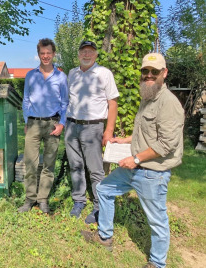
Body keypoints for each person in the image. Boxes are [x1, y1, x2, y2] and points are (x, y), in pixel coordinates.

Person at [81, 53, 184, 268]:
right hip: (134, 166)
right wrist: (124, 140)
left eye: (154, 72)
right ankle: (105, 236)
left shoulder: (169, 104)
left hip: (152, 172)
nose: (148, 75)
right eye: (145, 71)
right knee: (104, 189)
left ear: (164, 73)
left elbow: (166, 145)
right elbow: (144, 133)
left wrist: (135, 158)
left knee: (157, 220)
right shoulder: (148, 97)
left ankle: (157, 263)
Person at [64, 41, 119, 224]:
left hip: (93, 127)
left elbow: (113, 102)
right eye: (83, 51)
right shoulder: (72, 73)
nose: (86, 55)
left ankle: (98, 206)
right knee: (75, 166)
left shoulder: (104, 73)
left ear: (96, 55)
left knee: (95, 170)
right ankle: (79, 201)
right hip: (72, 125)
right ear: (78, 54)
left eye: (90, 52)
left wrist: (108, 131)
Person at [18, 38, 69, 214]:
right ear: (38, 54)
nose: (45, 56)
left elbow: (65, 103)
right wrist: (26, 121)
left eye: (48, 53)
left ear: (54, 54)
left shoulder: (61, 77)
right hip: (33, 123)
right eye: (42, 53)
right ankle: (29, 199)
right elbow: (25, 99)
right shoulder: (31, 75)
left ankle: (43, 199)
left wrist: (61, 124)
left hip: (52, 124)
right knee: (30, 163)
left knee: (48, 164)